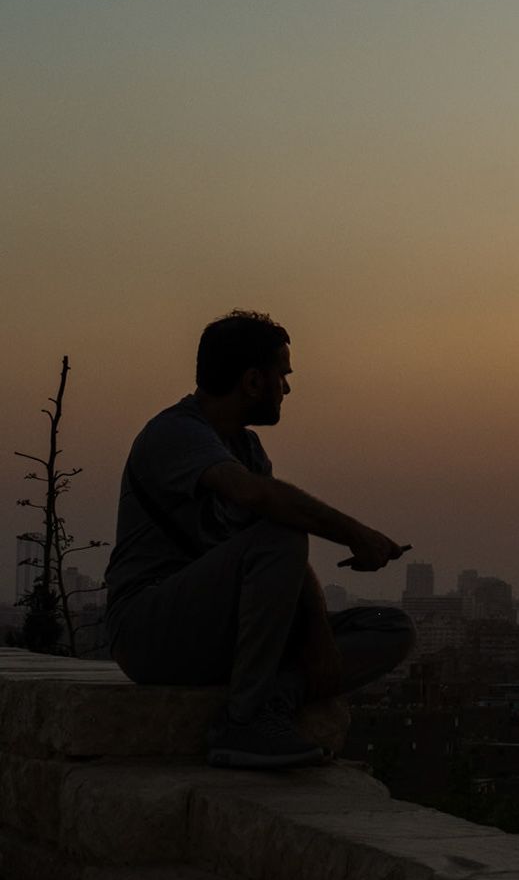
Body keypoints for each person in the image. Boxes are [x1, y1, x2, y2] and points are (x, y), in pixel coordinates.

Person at [104, 310, 415, 769]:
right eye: (281, 376)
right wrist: (354, 534)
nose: (286, 389)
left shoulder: (245, 448)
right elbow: (258, 502)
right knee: (279, 531)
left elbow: (275, 538)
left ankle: (273, 702)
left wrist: (319, 635)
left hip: (218, 633)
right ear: (252, 381)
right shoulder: (174, 432)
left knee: (392, 629)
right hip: (150, 633)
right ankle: (243, 722)